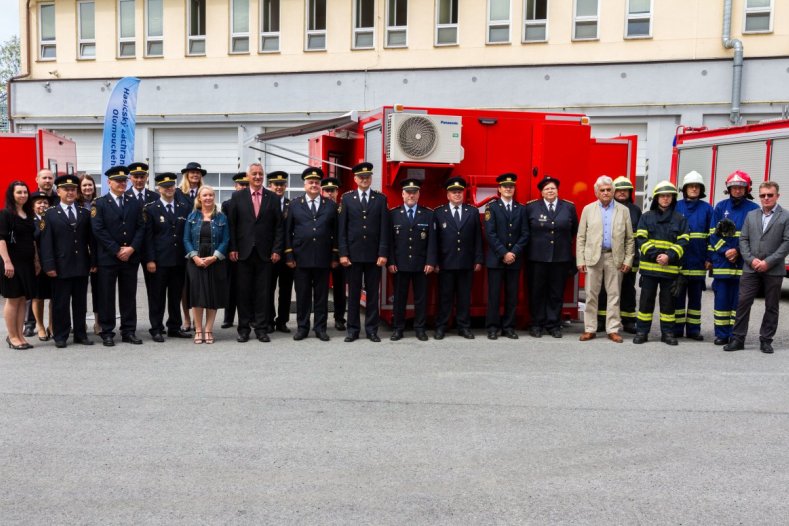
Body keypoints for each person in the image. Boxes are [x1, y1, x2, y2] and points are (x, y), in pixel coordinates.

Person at [724, 181, 789, 354]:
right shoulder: (751, 215)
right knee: (743, 302)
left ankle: (766, 340)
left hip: (773, 269)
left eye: (770, 195)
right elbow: (743, 239)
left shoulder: (786, 216)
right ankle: (738, 339)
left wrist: (769, 262)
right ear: (759, 196)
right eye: (763, 195)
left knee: (772, 305)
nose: (766, 198)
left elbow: (787, 242)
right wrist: (751, 260)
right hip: (750, 268)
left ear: (777, 196)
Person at [227, 162, 283, 343]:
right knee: (243, 293)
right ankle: (243, 329)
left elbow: (278, 227)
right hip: (242, 253)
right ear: (248, 176)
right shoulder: (238, 197)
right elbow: (232, 225)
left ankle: (261, 328)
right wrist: (233, 247)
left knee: (263, 292)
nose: (258, 177)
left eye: (260, 174)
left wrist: (276, 249)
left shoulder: (272, 197)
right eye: (254, 174)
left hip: (265, 254)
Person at [91, 165, 145, 346]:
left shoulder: (135, 202)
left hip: (129, 257)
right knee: (106, 295)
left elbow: (141, 227)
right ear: (109, 182)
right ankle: (107, 331)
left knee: (128, 295)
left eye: (124, 181)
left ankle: (128, 330)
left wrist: (131, 248)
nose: (122, 184)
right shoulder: (99, 203)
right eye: (118, 181)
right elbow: (98, 229)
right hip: (108, 257)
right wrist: (116, 249)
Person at [576, 175, 634, 343]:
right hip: (593, 258)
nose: (606, 192)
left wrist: (628, 260)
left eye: (609, 189)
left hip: (614, 257)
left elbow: (630, 239)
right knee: (591, 295)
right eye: (603, 190)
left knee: (614, 295)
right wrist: (581, 259)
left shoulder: (623, 211)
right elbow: (581, 237)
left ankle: (613, 329)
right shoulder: (588, 209)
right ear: (596, 192)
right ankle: (590, 329)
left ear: (613, 191)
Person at [39, 175, 94, 348]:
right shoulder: (50, 214)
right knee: (60, 303)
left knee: (80, 302)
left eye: (73, 189)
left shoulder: (85, 213)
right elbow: (46, 243)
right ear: (59, 191)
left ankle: (80, 334)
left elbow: (91, 240)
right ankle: (61, 335)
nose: (70, 192)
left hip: (81, 264)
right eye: (66, 189)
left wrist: (93, 262)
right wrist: (49, 265)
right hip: (60, 266)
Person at [284, 167, 338, 341]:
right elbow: (288, 232)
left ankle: (320, 328)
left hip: (323, 257)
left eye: (317, 182)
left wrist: (335, 255)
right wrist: (289, 255)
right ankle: (302, 327)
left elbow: (336, 232)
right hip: (301, 257)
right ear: (304, 184)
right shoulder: (294, 204)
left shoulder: (330, 205)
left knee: (321, 295)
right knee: (303, 295)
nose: (314, 185)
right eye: (311, 182)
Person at [338, 162, 390, 343]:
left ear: (371, 178)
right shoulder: (347, 199)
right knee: (352, 294)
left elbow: (385, 228)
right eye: (361, 177)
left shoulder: (380, 199)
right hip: (352, 255)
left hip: (374, 255)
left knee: (373, 295)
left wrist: (383, 253)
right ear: (355, 179)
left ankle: (371, 330)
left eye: (367, 177)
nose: (364, 179)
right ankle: (352, 330)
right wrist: (343, 253)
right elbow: (342, 229)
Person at [633, 181, 690, 346]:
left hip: (669, 269)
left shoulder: (680, 219)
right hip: (650, 270)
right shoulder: (646, 217)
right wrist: (658, 255)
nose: (666, 199)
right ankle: (642, 332)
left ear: (673, 198)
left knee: (668, 303)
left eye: (669, 196)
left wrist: (669, 256)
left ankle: (668, 333)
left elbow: (684, 240)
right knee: (645, 302)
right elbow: (641, 239)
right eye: (662, 196)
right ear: (657, 198)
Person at [708, 171, 759, 346]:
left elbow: (756, 237)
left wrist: (737, 250)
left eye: (741, 188)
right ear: (729, 189)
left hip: (743, 263)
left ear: (747, 189)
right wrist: (725, 250)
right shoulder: (721, 207)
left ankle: (735, 334)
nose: (737, 190)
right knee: (721, 300)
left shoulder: (754, 209)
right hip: (723, 263)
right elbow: (712, 235)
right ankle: (721, 334)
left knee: (739, 301)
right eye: (734, 187)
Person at [524, 175, 578, 338]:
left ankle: (553, 324)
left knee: (556, 292)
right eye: (546, 188)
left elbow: (574, 229)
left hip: (560, 258)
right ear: (541, 192)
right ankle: (537, 324)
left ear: (557, 190)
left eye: (553, 188)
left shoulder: (568, 207)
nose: (550, 191)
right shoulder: (531, 207)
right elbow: (526, 231)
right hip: (537, 258)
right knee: (537, 292)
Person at [432, 177, 483, 340]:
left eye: (460, 192)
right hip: (446, 263)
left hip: (466, 262)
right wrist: (435, 261)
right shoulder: (439, 212)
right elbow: (435, 240)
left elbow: (478, 238)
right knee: (445, 297)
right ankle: (441, 326)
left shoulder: (472, 212)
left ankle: (464, 326)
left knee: (464, 297)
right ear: (447, 195)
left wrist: (478, 259)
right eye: (454, 192)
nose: (457, 195)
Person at [142, 173, 191, 342]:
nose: (168, 189)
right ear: (158, 189)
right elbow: (148, 237)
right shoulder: (151, 209)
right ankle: (156, 328)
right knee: (157, 296)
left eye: (171, 186)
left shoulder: (184, 207)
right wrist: (150, 259)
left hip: (178, 260)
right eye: (165, 186)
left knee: (175, 295)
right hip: (159, 261)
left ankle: (174, 327)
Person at [388, 178, 437, 342]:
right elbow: (389, 242)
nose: (411, 195)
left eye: (414, 192)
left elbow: (432, 241)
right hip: (400, 265)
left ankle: (420, 328)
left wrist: (430, 262)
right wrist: (391, 262)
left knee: (421, 299)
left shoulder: (428, 214)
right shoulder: (393, 214)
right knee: (399, 299)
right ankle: (398, 328)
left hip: (421, 265)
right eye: (408, 192)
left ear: (418, 195)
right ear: (402, 194)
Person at [484, 173, 529, 340]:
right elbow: (490, 233)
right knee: (494, 295)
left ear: (514, 189)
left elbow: (525, 234)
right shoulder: (492, 208)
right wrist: (504, 253)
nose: (508, 189)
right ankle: (493, 327)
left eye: (511, 187)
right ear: (499, 189)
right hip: (496, 259)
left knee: (512, 295)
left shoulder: (521, 209)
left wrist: (513, 253)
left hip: (514, 260)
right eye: (505, 187)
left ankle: (509, 327)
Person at [596, 176, 643, 334]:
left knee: (628, 290)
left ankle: (628, 321)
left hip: (629, 257)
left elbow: (635, 237)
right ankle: (602, 320)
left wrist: (633, 259)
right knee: (604, 289)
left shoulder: (635, 210)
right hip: (610, 256)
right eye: (620, 190)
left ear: (630, 192)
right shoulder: (607, 208)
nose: (622, 193)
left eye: (626, 190)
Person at [184, 185, 230, 345]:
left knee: (212, 295)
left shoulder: (221, 217)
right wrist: (194, 256)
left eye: (211, 195)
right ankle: (198, 330)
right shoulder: (191, 217)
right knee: (198, 295)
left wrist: (215, 257)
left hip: (214, 260)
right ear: (199, 198)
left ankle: (209, 329)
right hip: (196, 260)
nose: (208, 198)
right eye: (205, 195)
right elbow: (186, 239)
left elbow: (226, 240)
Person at [672, 171, 713, 341]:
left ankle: (694, 330)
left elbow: (712, 234)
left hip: (698, 261)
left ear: (701, 189)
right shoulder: (676, 206)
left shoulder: (707, 208)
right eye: (691, 186)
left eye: (697, 186)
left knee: (696, 298)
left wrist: (710, 257)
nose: (694, 189)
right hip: (679, 260)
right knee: (678, 296)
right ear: (685, 189)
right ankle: (677, 329)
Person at [0, 181, 38, 349]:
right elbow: (1, 240)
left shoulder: (28, 214)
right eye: (19, 192)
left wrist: (36, 260)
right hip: (12, 263)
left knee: (23, 299)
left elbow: (32, 240)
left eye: (25, 192)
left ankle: (20, 335)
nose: (23, 195)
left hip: (27, 263)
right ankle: (12, 336)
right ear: (12, 195)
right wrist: (7, 262)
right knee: (13, 299)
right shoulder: (5, 214)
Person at [176, 161, 205, 332]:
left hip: (201, 244)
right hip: (182, 243)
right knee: (184, 285)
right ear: (186, 175)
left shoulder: (204, 192)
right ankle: (186, 318)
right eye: (192, 172)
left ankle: (197, 319)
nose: (195, 175)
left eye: (197, 172)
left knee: (197, 284)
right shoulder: (179, 193)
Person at [265, 170, 294, 333]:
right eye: (276, 184)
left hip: (288, 254)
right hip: (270, 254)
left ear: (286, 186)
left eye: (282, 184)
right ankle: (269, 319)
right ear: (270, 185)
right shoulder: (266, 203)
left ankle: (282, 321)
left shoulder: (293, 204)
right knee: (268, 289)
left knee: (286, 289)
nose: (279, 187)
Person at [220, 172, 249, 329]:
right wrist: (230, 248)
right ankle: (228, 318)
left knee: (247, 286)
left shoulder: (253, 202)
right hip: (231, 250)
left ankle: (248, 317)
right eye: (241, 184)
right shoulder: (227, 204)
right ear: (235, 186)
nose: (243, 187)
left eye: (246, 184)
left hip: (247, 250)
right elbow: (226, 228)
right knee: (230, 286)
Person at [321, 176, 347, 331]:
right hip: (323, 254)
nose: (330, 194)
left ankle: (339, 319)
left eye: (333, 191)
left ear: (337, 192)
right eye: (327, 190)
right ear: (322, 192)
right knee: (322, 289)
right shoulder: (319, 208)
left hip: (339, 254)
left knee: (339, 289)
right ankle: (321, 319)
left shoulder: (342, 209)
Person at [30, 191, 55, 342]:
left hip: (52, 263)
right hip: (37, 264)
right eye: (39, 202)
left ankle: (52, 325)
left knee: (54, 296)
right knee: (38, 297)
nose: (43, 205)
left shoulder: (52, 218)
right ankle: (40, 326)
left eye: (45, 203)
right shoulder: (30, 221)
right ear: (33, 206)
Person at [78, 174, 100, 334]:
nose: (87, 188)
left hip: (97, 252)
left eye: (90, 185)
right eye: (84, 185)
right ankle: (81, 322)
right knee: (79, 290)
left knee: (98, 289)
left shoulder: (99, 204)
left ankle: (98, 322)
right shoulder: (75, 205)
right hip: (79, 253)